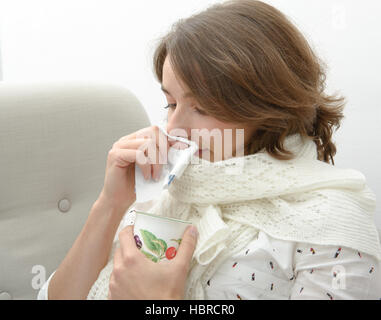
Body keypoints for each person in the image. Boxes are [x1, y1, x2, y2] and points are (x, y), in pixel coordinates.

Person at [39, 0, 381, 300]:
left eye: (201, 108)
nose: (173, 129)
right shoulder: (166, 190)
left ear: (267, 107)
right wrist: (110, 204)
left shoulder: (334, 224)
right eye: (170, 103)